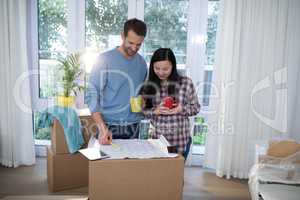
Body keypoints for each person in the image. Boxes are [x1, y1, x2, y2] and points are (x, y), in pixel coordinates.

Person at [86, 18, 147, 145]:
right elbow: (91, 95)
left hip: (134, 126)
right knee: (107, 165)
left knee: (131, 164)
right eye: (131, 42)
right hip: (109, 125)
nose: (134, 48)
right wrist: (102, 128)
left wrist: (143, 102)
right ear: (122, 36)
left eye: (139, 44)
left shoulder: (142, 63)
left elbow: (142, 92)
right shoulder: (104, 59)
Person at [141, 48, 200, 160]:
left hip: (179, 142)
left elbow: (196, 108)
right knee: (157, 175)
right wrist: (155, 111)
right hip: (157, 142)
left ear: (173, 66)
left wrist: (180, 109)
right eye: (157, 68)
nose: (161, 72)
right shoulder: (149, 86)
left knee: (175, 175)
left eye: (165, 69)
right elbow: (142, 112)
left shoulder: (185, 83)